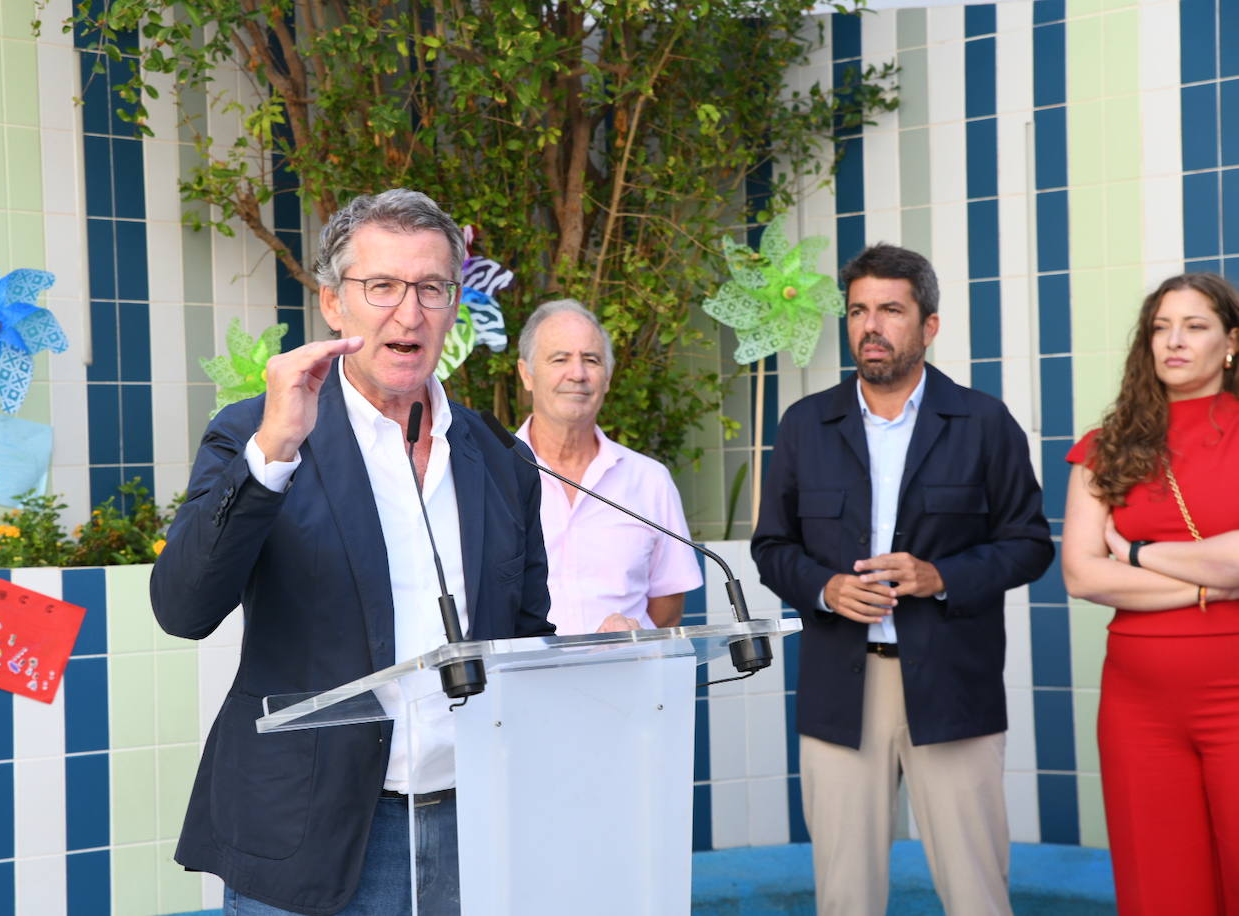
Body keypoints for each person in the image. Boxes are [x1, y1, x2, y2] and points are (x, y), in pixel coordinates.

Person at [151, 189, 555, 916]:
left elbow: (526, 633)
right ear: (335, 304)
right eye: (383, 287)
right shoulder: (259, 433)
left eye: (431, 287)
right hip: (311, 834)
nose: (410, 313)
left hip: (471, 825)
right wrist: (274, 451)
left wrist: (607, 662)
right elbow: (183, 608)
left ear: (454, 303)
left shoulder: (497, 454)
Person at [751, 243, 1054, 915]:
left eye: (890, 309)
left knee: (976, 890)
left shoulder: (982, 422)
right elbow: (772, 547)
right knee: (845, 895)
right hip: (841, 688)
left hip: (952, 687)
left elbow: (1029, 546)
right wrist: (825, 588)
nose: (871, 326)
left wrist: (938, 575)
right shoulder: (805, 425)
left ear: (929, 324)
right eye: (859, 310)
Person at [1061, 272, 1239, 915]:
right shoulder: (1104, 448)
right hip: (1138, 708)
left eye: (1194, 326)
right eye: (1161, 328)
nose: (1174, 341)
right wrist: (1212, 584)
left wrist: (1136, 553)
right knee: (1159, 888)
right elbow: (1082, 574)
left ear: (1231, 343)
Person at [514, 299, 702, 634]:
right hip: (523, 682)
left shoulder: (649, 480)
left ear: (608, 378)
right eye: (560, 359)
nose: (578, 374)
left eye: (591, 360)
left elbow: (669, 607)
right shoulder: (489, 475)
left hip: (628, 679)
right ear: (526, 374)